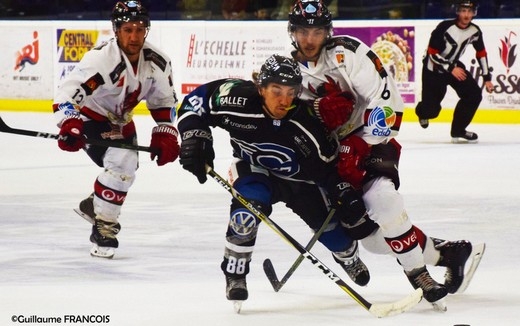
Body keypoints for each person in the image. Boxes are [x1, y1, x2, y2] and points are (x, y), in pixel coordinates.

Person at [287, 0, 478, 309]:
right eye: (303, 32)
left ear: (327, 32)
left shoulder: (347, 53)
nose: (309, 40)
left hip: (371, 139)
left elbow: (387, 101)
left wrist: (361, 143)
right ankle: (447, 253)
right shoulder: (289, 70)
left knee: (383, 199)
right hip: (330, 154)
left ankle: (419, 274)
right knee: (371, 238)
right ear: (292, 33)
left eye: (317, 31)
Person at [176, 54, 376, 303]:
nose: (284, 100)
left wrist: (343, 192)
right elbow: (195, 102)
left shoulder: (306, 126)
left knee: (335, 236)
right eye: (276, 90)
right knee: (244, 216)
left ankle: (348, 256)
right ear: (261, 87)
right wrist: (195, 135)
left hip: (299, 181)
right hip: (252, 169)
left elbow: (326, 170)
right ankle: (235, 273)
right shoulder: (235, 98)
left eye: (291, 92)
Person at [52, 0, 180, 259]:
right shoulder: (100, 61)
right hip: (90, 118)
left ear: (147, 29)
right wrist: (70, 122)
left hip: (120, 120)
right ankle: (104, 229)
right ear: (116, 30)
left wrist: (166, 132)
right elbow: (67, 94)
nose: (134, 36)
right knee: (123, 162)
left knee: (127, 168)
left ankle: (95, 205)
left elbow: (164, 102)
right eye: (128, 29)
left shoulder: (158, 62)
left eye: (140, 29)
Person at [415, 0, 494, 143]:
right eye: (463, 11)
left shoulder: (475, 31)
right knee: (431, 111)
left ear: (474, 13)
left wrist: (486, 78)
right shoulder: (444, 27)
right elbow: (432, 54)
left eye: (470, 11)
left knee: (474, 95)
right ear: (457, 12)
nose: (467, 14)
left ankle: (458, 130)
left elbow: (481, 53)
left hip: (454, 68)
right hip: (434, 71)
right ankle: (422, 112)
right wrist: (451, 69)